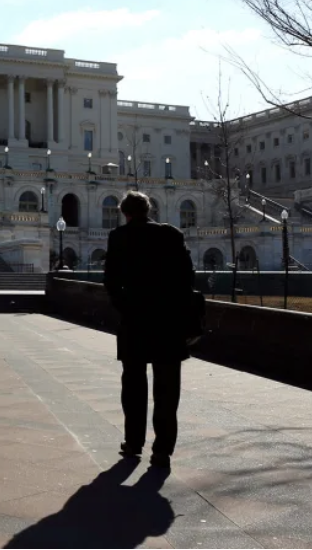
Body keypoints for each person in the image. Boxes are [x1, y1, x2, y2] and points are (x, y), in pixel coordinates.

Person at [104, 191, 195, 470]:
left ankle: (133, 443)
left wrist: (127, 307)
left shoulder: (119, 237)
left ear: (125, 213)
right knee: (167, 389)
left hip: (134, 322)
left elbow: (110, 282)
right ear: (148, 210)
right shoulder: (172, 235)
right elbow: (187, 278)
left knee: (133, 385)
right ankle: (162, 450)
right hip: (168, 322)